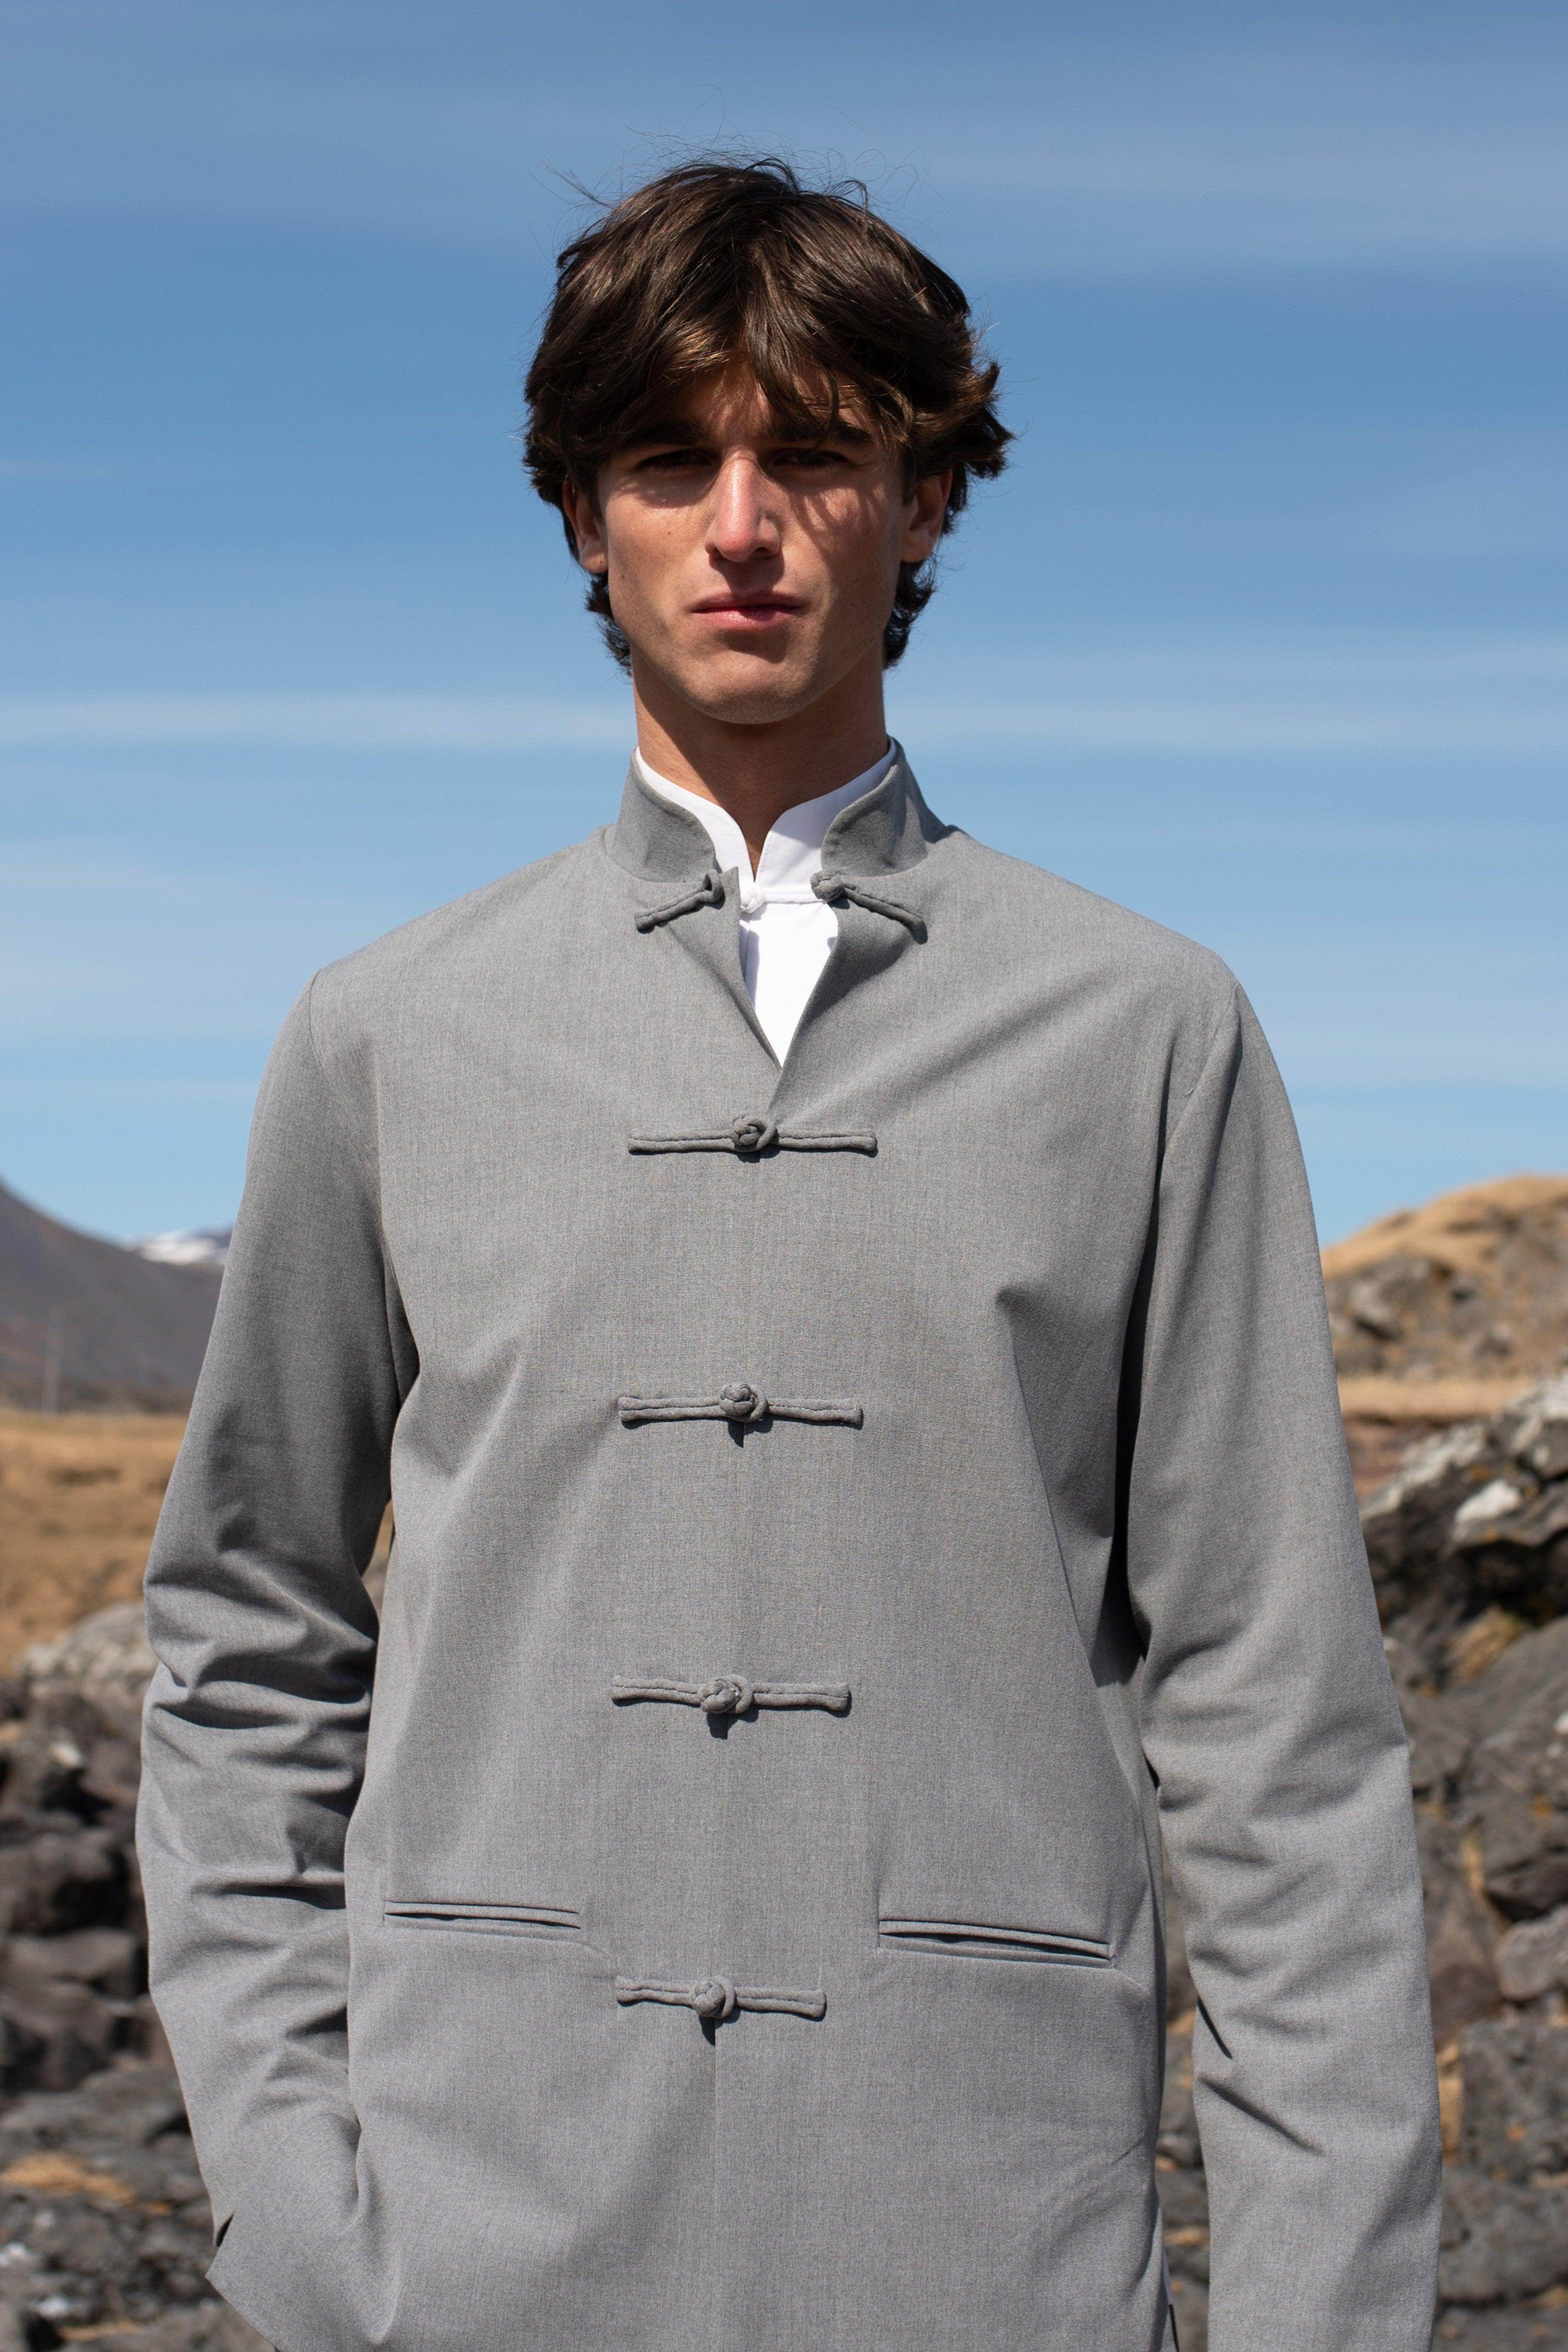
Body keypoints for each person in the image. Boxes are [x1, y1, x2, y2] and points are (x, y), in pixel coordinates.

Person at [137, 157, 1441, 2352]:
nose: (742, 525)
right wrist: (299, 2208)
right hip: (472, 2249)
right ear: (584, 516)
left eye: (817, 455)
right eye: (671, 460)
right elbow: (247, 1634)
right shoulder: (385, 1034)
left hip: (991, 2252)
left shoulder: (1146, 1031)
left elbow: (1278, 1726)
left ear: (921, 502)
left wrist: (1318, 2318)